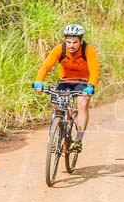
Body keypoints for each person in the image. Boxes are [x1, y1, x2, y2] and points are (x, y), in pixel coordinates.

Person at [32, 24, 100, 153]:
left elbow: (94, 69)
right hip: (65, 81)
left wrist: (91, 86)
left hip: (82, 82)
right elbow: (46, 66)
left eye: (75, 42)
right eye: (68, 42)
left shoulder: (88, 50)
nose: (71, 45)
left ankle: (78, 140)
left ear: (81, 41)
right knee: (56, 105)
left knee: (83, 103)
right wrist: (39, 82)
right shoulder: (60, 49)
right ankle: (60, 133)